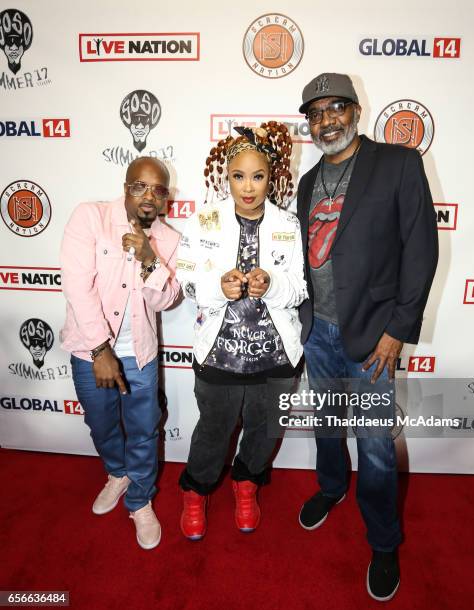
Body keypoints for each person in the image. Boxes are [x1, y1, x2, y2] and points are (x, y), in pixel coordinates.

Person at [295, 73, 438, 600]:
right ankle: (332, 488)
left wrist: (397, 331)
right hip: (319, 334)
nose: (326, 120)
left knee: (375, 444)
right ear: (308, 124)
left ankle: (383, 540)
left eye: (336, 108)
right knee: (328, 426)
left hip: (375, 335)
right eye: (316, 112)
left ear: (356, 111)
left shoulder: (398, 164)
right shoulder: (308, 183)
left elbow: (421, 250)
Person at [176, 122, 307, 540]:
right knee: (213, 430)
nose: (248, 187)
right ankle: (196, 493)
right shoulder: (205, 220)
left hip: (276, 356)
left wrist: (275, 285)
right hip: (219, 353)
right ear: (225, 175)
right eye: (238, 176)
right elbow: (185, 280)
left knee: (264, 428)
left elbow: (301, 287)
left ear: (273, 177)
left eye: (258, 176)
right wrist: (218, 286)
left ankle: (246, 485)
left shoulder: (289, 222)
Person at [60, 157, 181, 550]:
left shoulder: (169, 239)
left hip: (140, 355)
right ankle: (117, 472)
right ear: (125, 185)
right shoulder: (90, 218)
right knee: (101, 424)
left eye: (158, 190)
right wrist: (100, 350)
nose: (149, 197)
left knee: (145, 432)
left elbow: (166, 300)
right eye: (140, 186)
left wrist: (149, 258)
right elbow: (77, 286)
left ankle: (140, 499)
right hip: (90, 350)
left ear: (166, 197)